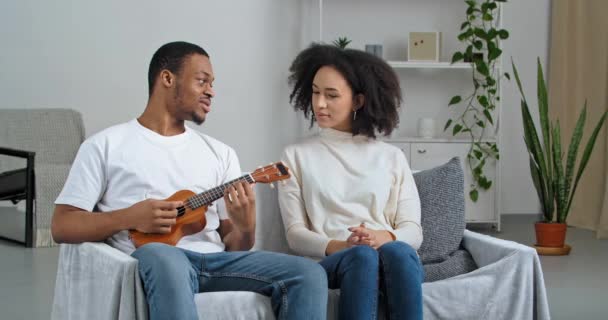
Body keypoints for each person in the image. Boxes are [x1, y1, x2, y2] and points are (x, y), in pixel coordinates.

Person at [51, 41, 327, 320]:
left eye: (212, 83)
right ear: (167, 79)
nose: (211, 91)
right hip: (157, 260)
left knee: (309, 273)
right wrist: (129, 217)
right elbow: (62, 225)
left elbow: (234, 246)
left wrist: (245, 228)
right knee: (164, 257)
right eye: (202, 81)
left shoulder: (220, 153)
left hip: (216, 262)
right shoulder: (105, 145)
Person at [278, 44, 424, 320]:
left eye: (331, 95)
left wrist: (383, 237)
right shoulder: (295, 156)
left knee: (400, 252)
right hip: (333, 262)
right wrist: (345, 246)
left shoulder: (391, 157)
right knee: (362, 257)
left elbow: (413, 231)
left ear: (358, 101)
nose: (319, 103)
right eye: (315, 92)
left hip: (388, 256)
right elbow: (295, 235)